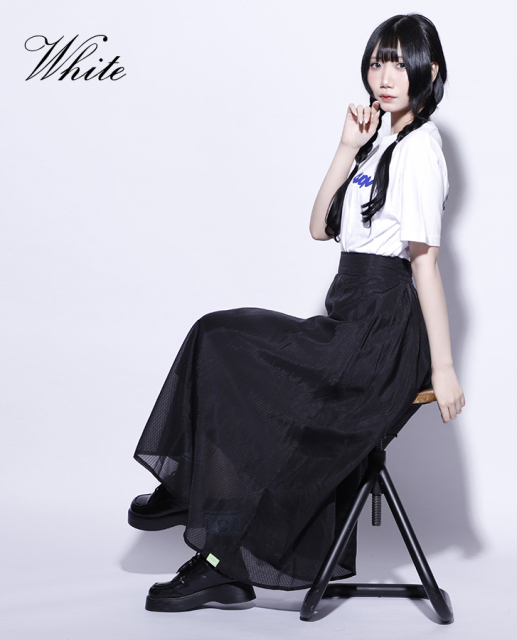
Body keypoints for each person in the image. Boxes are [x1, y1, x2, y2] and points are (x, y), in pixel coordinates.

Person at [128, 13, 465, 613]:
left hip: (380, 333)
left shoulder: (421, 150)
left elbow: (425, 265)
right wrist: (346, 147)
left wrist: (442, 368)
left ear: (429, 70)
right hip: (350, 318)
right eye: (377, 62)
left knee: (225, 340)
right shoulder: (382, 143)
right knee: (216, 334)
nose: (385, 76)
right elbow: (318, 227)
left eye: (398, 62)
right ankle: (205, 523)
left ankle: (201, 521)